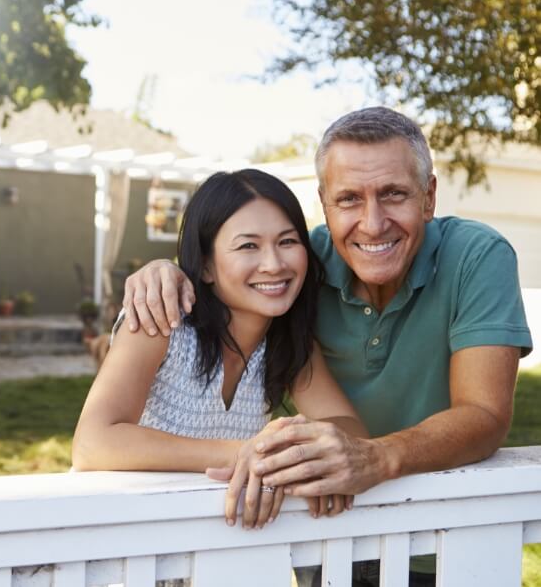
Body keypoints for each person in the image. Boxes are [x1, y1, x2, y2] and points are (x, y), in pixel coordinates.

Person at [121, 107, 533, 585]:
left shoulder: (477, 256)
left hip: (445, 540)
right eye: (350, 199)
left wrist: (375, 458)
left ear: (429, 197)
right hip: (330, 531)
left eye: (394, 194)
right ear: (325, 204)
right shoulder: (299, 266)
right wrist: (166, 271)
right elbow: (232, 266)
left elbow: (484, 415)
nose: (373, 223)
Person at [71, 168, 368, 530]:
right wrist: (250, 453)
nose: (274, 264)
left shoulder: (288, 342)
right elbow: (92, 443)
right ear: (207, 265)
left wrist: (287, 448)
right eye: (248, 246)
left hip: (218, 543)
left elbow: (352, 431)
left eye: (288, 241)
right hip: (126, 535)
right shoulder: (162, 320)